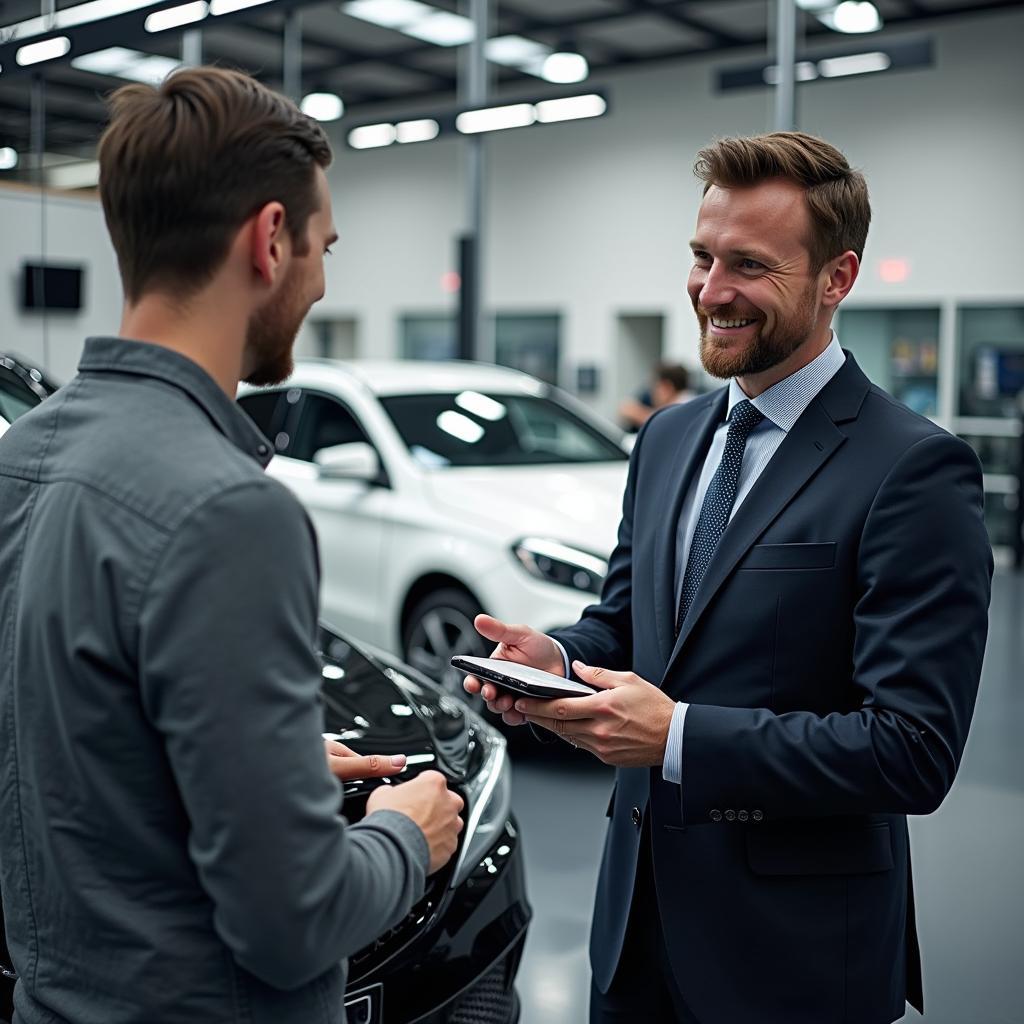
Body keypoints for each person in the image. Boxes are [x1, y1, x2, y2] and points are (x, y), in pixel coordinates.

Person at [466, 131, 992, 1024]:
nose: (711, 292)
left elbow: (912, 750)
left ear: (837, 279)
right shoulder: (668, 438)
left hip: (793, 959)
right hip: (634, 927)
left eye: (749, 265)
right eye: (703, 257)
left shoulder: (913, 469)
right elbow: (631, 623)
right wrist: (557, 659)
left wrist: (676, 738)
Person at [0, 68, 464, 1024]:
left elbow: (65, 750)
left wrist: (267, 774)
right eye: (323, 245)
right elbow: (292, 918)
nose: (323, 276)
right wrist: (405, 838)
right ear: (270, 238)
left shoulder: (26, 455)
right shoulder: (228, 511)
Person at [618, 361, 693, 431]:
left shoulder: (684, 407)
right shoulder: (686, 403)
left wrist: (637, 413)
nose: (652, 392)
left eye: (656, 386)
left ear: (667, 387)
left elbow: (661, 423)